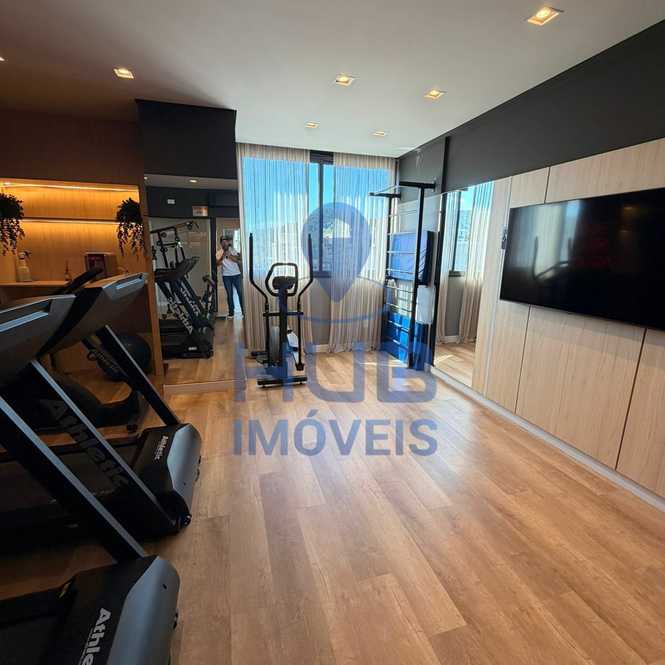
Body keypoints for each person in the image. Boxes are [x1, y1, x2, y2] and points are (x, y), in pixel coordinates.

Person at [216, 237, 244, 317]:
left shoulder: (233, 250)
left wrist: (230, 256)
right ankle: (231, 312)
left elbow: (238, 260)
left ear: (228, 243)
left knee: (240, 293)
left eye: (226, 242)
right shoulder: (219, 252)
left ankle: (243, 311)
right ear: (221, 243)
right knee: (229, 294)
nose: (224, 243)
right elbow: (217, 264)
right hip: (226, 276)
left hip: (236, 275)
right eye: (223, 242)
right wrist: (223, 256)